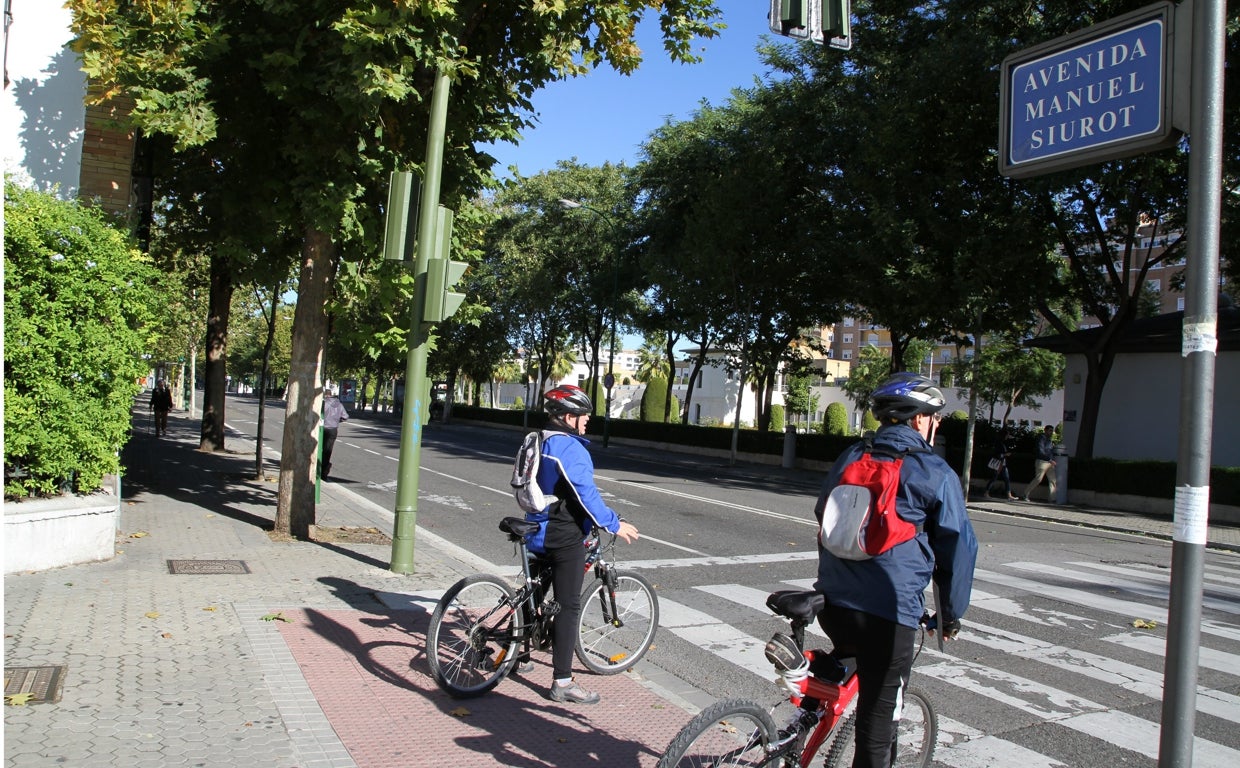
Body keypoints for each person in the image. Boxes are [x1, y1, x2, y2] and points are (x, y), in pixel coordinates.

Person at [813, 373, 977, 768]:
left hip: (833, 602)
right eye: (935, 419)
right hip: (890, 613)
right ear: (922, 420)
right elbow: (958, 548)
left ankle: (799, 726)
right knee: (878, 717)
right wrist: (950, 617)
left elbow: (824, 511)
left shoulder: (851, 455)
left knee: (848, 667)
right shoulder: (934, 471)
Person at [531, 384, 639, 704]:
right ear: (568, 417)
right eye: (583, 416)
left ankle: (518, 655)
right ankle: (563, 682)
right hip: (561, 533)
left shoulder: (537, 439)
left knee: (535, 591)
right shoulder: (570, 447)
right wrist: (613, 524)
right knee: (569, 605)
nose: (587, 420)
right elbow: (584, 494)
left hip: (534, 524)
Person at [1023, 425, 1058, 502]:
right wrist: (1049, 459)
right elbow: (1040, 451)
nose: (1051, 432)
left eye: (1052, 431)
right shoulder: (1041, 438)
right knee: (1038, 479)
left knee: (1053, 480)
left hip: (1049, 462)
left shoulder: (1049, 440)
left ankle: (1052, 499)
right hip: (1042, 461)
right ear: (1045, 430)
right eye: (1050, 430)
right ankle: (1026, 493)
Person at [320, 388, 349, 480]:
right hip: (333, 429)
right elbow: (345, 417)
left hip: (322, 428)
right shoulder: (339, 404)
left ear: (325, 395)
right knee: (328, 451)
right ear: (331, 394)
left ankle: (316, 468)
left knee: (318, 448)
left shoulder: (324, 403)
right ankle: (323, 472)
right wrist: (336, 421)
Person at [984, 427, 1017, 500]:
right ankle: (986, 492)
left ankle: (1009, 494)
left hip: (1002, 464)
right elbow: (997, 454)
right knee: (995, 478)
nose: (1007, 437)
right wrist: (1005, 455)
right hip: (999, 463)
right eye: (1007, 435)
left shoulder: (1002, 443)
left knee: (1005, 478)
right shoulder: (999, 443)